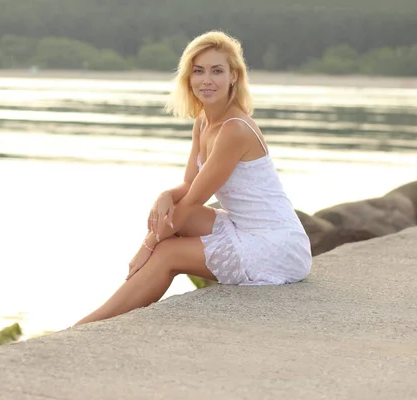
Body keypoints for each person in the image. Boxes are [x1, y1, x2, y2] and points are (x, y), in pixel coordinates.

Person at [74, 30, 311, 326]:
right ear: (189, 77)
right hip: (245, 227)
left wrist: (146, 247)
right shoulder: (204, 122)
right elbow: (189, 186)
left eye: (217, 71)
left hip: (277, 245)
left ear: (233, 76)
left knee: (167, 252)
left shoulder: (234, 130)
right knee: (174, 217)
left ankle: (89, 325)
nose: (206, 80)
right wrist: (165, 195)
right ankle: (111, 309)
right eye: (198, 71)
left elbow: (196, 198)